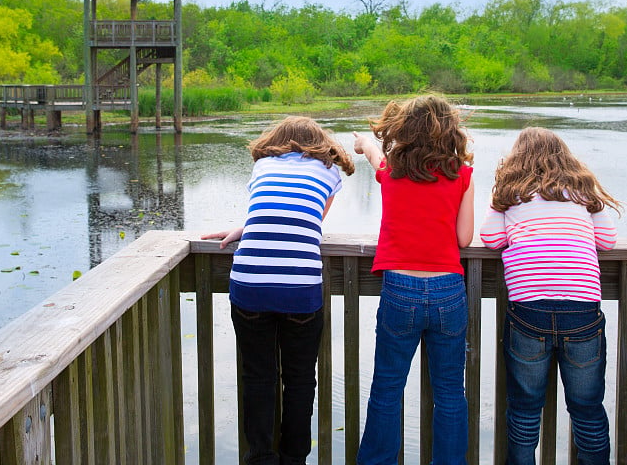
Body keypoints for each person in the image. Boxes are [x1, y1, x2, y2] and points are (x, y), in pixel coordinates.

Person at [202, 115, 355, 465]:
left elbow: (267, 213)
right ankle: (294, 459)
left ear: (276, 140)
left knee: (258, 377)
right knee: (300, 380)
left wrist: (244, 229)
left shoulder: (264, 165)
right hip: (299, 287)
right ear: (320, 143)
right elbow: (311, 219)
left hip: (250, 281)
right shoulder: (329, 171)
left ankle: (260, 457)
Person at [480, 126, 620, 465]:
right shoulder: (583, 191)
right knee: (586, 408)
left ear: (517, 158)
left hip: (529, 312)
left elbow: (490, 239)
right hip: (582, 313)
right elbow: (608, 240)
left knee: (525, 411)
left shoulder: (509, 192)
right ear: (565, 157)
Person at [353, 94, 475, 465]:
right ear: (449, 132)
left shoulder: (392, 172)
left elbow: (376, 157)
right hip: (448, 290)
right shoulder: (461, 175)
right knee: (451, 393)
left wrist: (365, 143)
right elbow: (464, 240)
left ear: (403, 131)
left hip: (400, 288)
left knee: (387, 388)